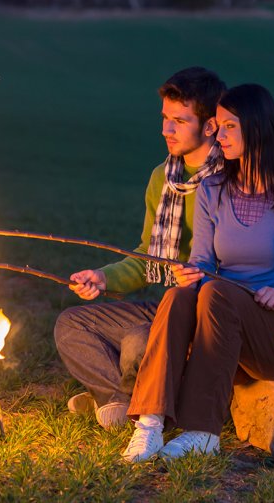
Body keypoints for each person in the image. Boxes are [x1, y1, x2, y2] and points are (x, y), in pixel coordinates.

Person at [122, 83, 274, 461]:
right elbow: (204, 261)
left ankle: (202, 432)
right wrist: (193, 273)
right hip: (219, 333)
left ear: (256, 129)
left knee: (216, 293)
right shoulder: (213, 189)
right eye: (217, 126)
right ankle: (150, 422)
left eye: (229, 127)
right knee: (180, 294)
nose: (217, 135)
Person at [53, 66, 226, 430]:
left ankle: (122, 396)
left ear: (209, 126)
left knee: (136, 343)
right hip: (165, 305)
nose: (166, 130)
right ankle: (119, 396)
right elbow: (149, 252)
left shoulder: (233, 179)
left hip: (208, 316)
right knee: (71, 325)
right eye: (165, 118)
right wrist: (102, 277)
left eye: (179, 120)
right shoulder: (162, 177)